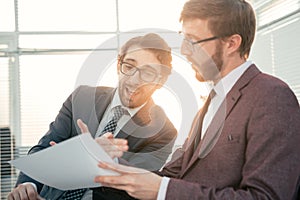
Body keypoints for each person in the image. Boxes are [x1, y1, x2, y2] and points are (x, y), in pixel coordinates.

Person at [92, 0, 300, 199]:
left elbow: (266, 196)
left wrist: (163, 191)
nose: (184, 50)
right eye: (183, 38)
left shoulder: (272, 97)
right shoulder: (212, 101)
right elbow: (173, 176)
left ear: (231, 43)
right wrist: (106, 164)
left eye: (193, 41)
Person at [7, 33, 177, 200]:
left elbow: (134, 190)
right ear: (119, 66)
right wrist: (28, 186)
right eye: (129, 66)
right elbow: (43, 150)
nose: (134, 80)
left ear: (160, 81)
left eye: (147, 73)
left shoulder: (162, 132)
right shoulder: (81, 98)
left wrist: (95, 158)